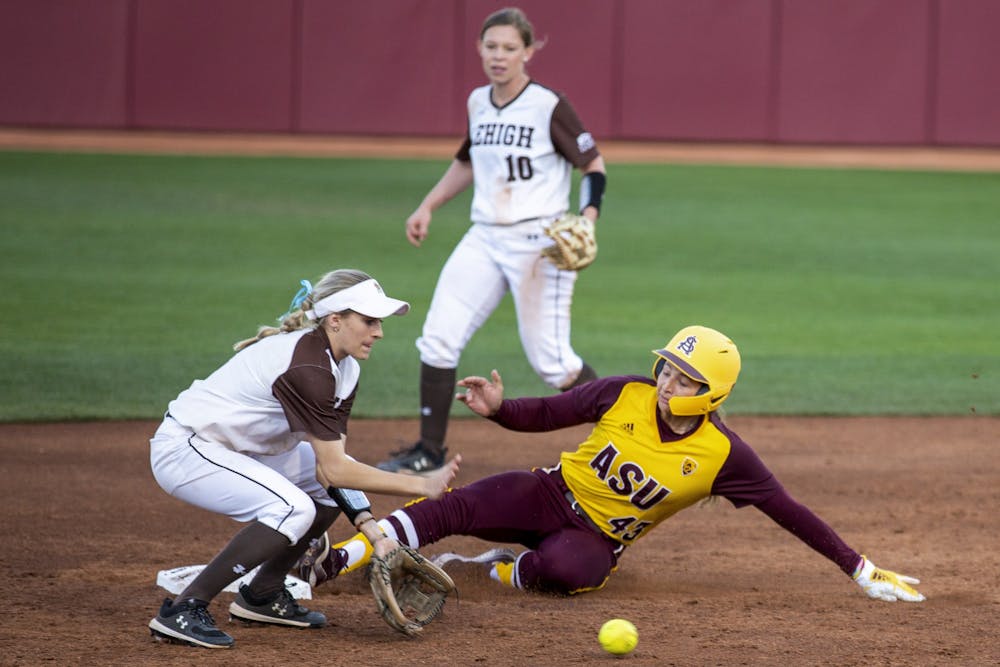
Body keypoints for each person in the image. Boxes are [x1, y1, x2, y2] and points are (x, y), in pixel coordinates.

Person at [301, 325, 925, 603]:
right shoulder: (626, 391)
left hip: (595, 538)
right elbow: (549, 412)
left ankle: (495, 568)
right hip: (549, 493)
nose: (667, 381)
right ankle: (331, 563)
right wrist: (499, 409)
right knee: (453, 507)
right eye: (668, 367)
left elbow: (789, 511)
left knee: (565, 572)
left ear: (711, 393)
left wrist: (859, 568)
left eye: (684, 377)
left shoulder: (724, 455)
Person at [147, 269, 461, 649]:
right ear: (335, 320)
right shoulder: (307, 366)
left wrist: (377, 536)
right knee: (292, 509)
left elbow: (331, 470)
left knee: (322, 491)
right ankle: (184, 609)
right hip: (188, 449)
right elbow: (336, 469)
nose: (379, 332)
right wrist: (422, 485)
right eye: (369, 321)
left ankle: (262, 593)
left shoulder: (345, 369)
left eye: (379, 322)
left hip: (236, 449)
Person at [377, 6, 608, 474]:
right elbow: (468, 162)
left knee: (554, 364)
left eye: (509, 48)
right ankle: (428, 452)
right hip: (484, 236)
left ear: (528, 52)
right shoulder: (478, 102)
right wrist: (428, 205)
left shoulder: (548, 105)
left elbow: (593, 166)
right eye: (491, 46)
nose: (499, 56)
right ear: (479, 49)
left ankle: (629, 435)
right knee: (437, 340)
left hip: (539, 242)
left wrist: (587, 218)